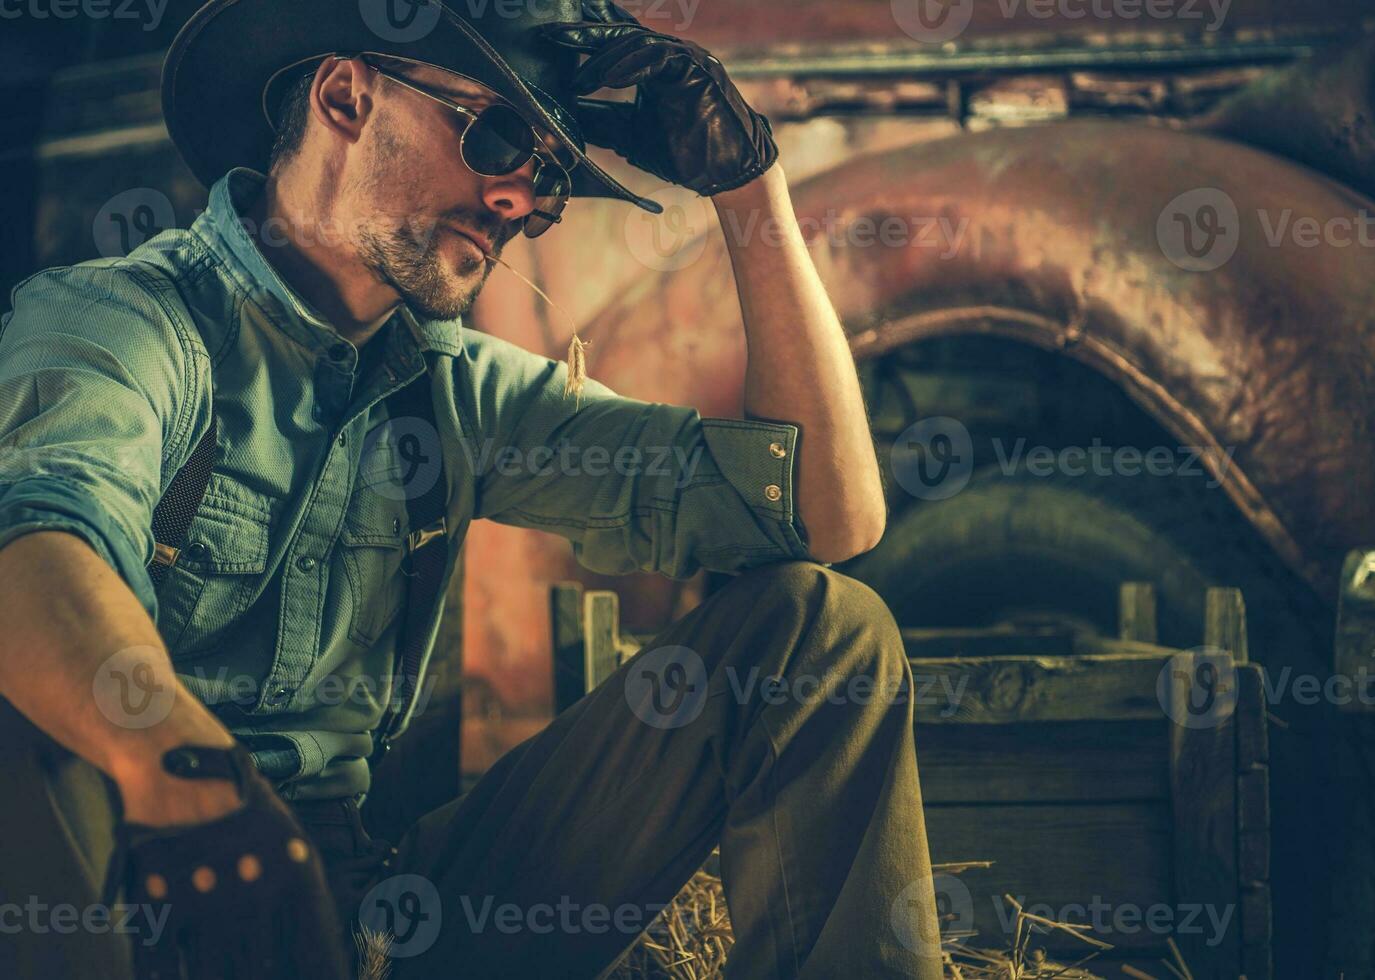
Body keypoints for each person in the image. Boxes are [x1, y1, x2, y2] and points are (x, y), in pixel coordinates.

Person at [0, 1, 941, 976]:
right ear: (345, 96)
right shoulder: (123, 324)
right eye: (494, 136)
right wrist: (210, 796)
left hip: (366, 913)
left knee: (822, 627)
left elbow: (828, 517)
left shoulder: (461, 396)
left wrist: (750, 188)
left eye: (543, 182)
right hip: (136, 894)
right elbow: (35, 549)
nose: (515, 202)